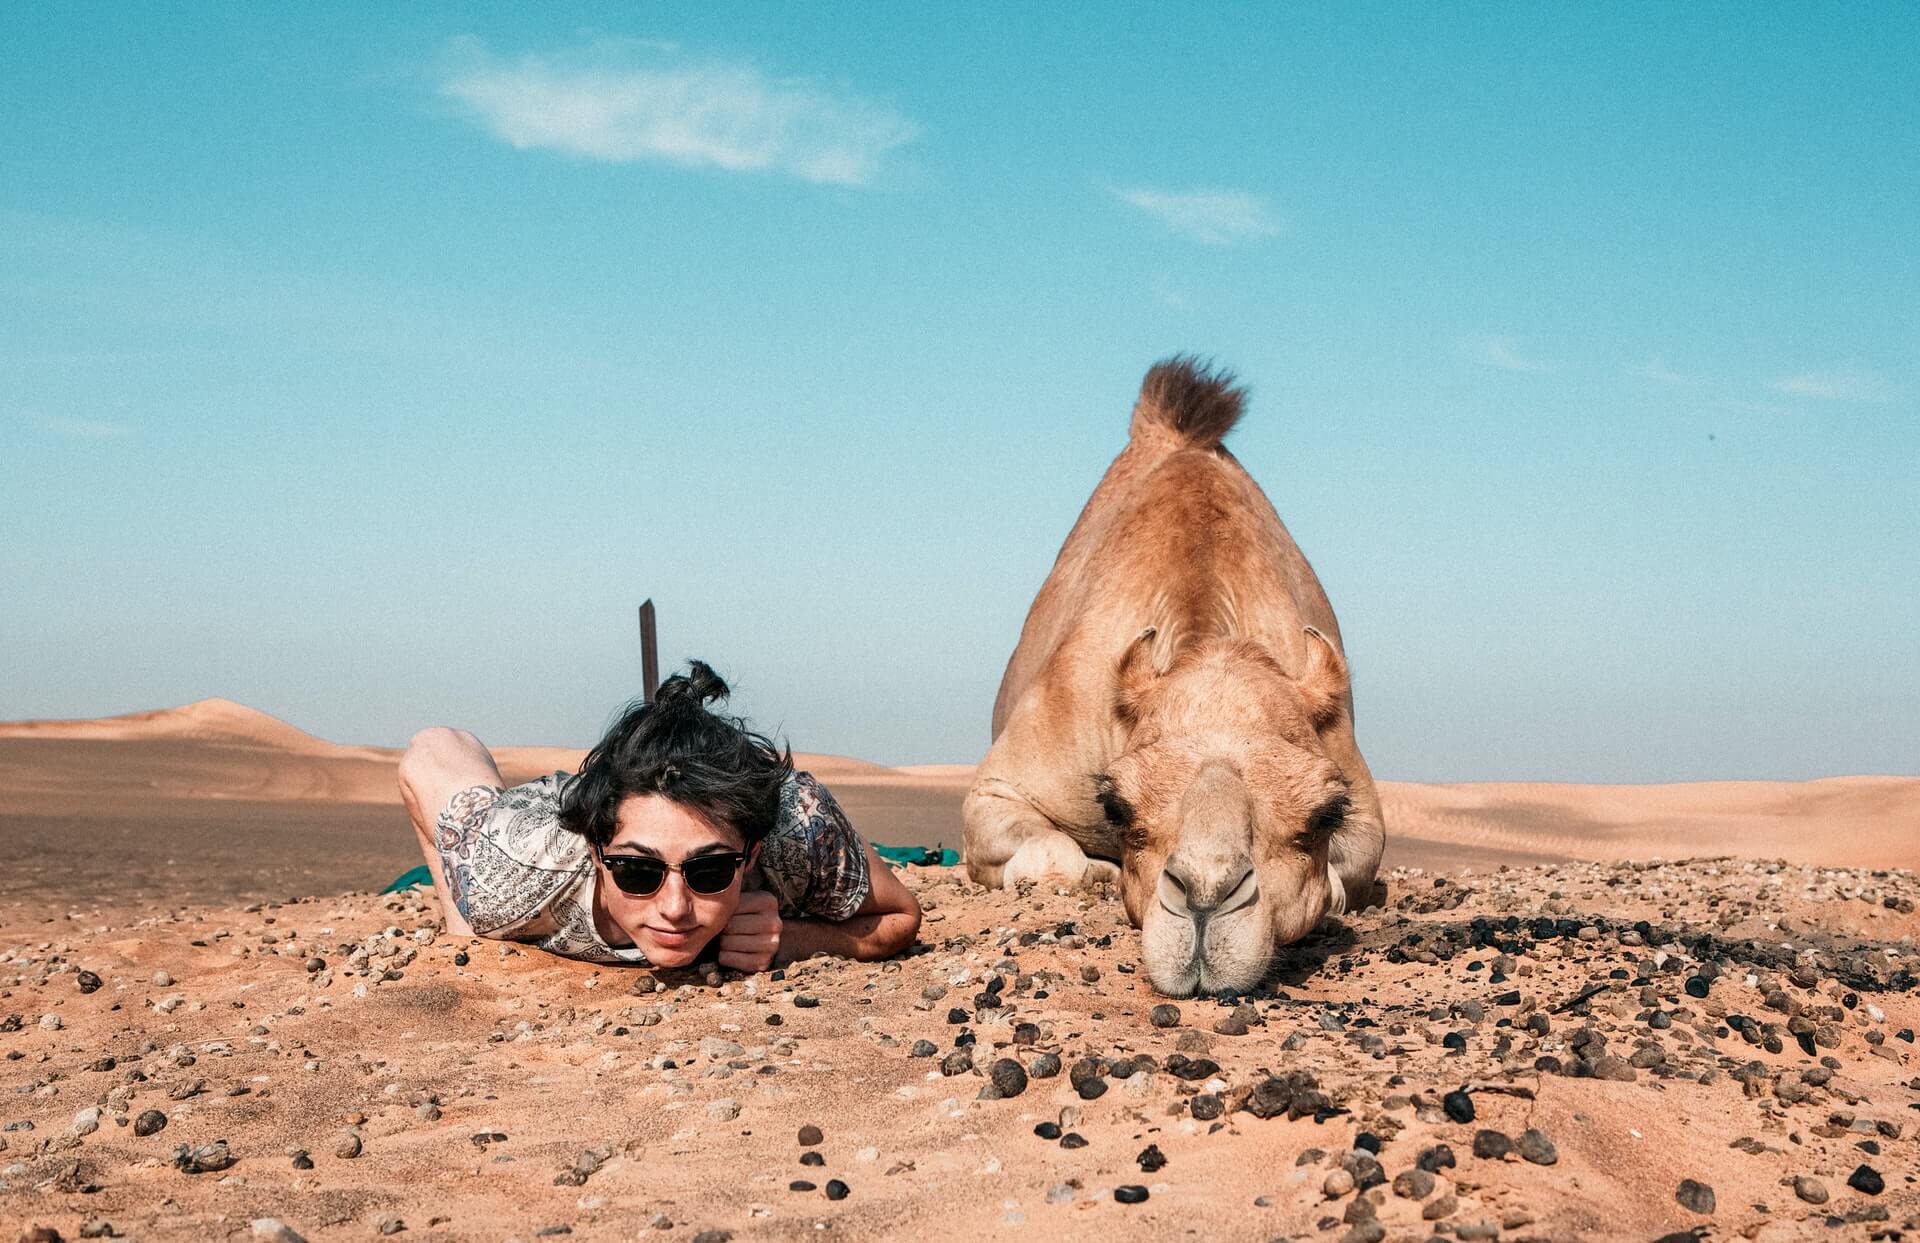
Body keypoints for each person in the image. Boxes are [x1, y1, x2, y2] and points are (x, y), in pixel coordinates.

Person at [396, 661, 922, 970]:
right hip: (540, 831)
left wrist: (791, 937)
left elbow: (901, 917)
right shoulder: (511, 867)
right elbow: (431, 751)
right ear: (598, 854)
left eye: (710, 872)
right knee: (478, 932)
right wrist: (465, 927)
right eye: (638, 872)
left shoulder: (799, 828)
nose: (675, 909)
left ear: (752, 854)